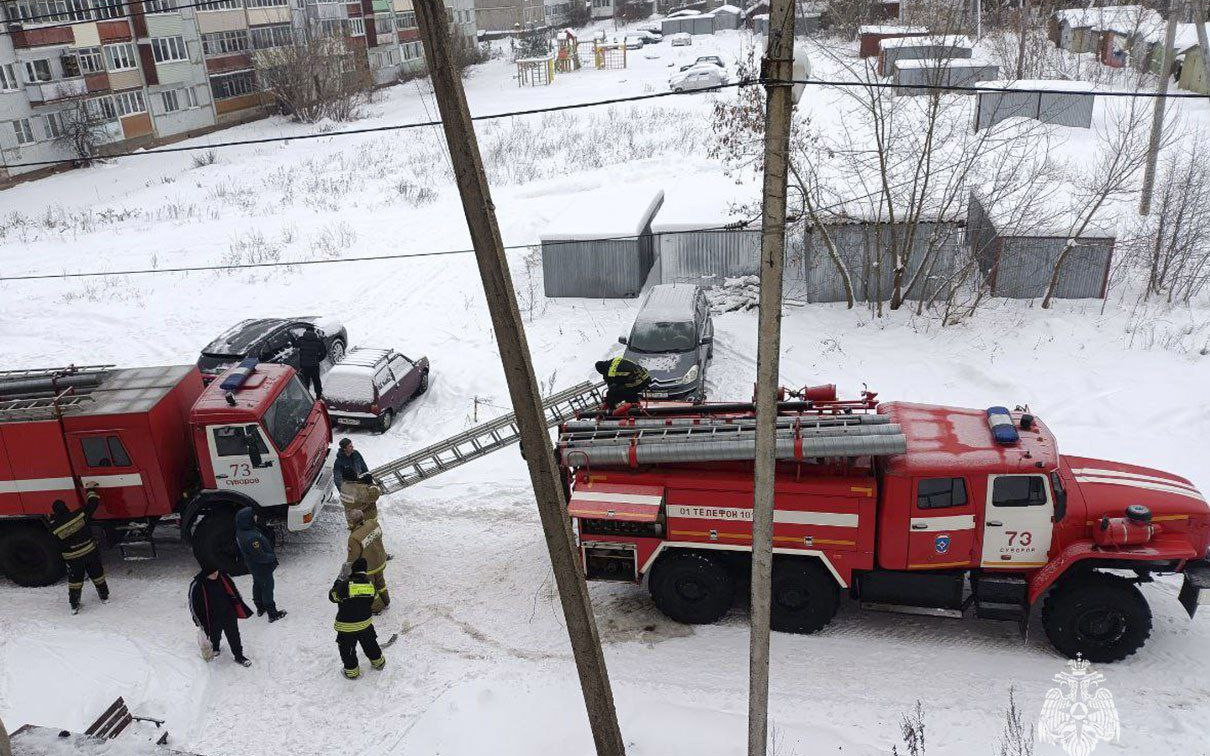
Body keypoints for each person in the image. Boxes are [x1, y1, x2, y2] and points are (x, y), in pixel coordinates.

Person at [47, 483, 108, 614]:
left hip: (73, 559)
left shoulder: (55, 528)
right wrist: (90, 490)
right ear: (66, 508)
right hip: (90, 552)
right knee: (97, 574)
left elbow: (54, 545)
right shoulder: (79, 515)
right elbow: (93, 503)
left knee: (75, 581)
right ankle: (104, 597)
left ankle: (74, 605)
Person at [329, 557, 385, 679]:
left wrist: (339, 579)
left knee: (347, 650)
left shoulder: (345, 585)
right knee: (370, 644)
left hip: (346, 627)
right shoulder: (371, 586)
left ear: (352, 570)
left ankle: (352, 672)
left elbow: (332, 596)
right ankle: (378, 662)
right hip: (365, 624)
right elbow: (373, 599)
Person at [188, 567, 253, 667]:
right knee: (214, 634)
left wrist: (238, 604)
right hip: (211, 618)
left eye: (216, 571)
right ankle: (215, 647)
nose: (215, 574)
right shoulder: (197, 584)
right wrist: (199, 622)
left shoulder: (223, 576)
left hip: (228, 613)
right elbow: (193, 606)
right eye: (211, 573)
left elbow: (233, 590)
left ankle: (239, 656)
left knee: (234, 634)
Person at [233, 508, 285, 622]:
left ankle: (260, 607)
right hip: (262, 567)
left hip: (253, 566)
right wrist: (272, 557)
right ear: (248, 519)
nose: (256, 517)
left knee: (257, 584)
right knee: (267, 587)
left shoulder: (241, 531)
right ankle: (272, 614)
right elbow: (260, 556)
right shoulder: (251, 538)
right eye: (253, 516)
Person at [345, 509, 389, 614]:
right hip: (379, 559)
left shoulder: (354, 537)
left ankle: (376, 607)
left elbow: (353, 557)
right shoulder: (373, 523)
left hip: (368, 567)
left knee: (369, 587)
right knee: (380, 582)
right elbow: (379, 536)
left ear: (352, 522)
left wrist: (348, 571)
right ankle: (386, 600)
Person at [334, 438, 378, 525]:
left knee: (367, 502)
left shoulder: (356, 454)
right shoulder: (339, 462)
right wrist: (344, 492)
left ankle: (370, 521)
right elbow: (337, 479)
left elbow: (364, 467)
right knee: (351, 507)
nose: (352, 447)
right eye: (350, 446)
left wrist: (369, 480)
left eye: (352, 445)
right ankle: (353, 525)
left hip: (361, 482)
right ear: (344, 448)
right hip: (349, 487)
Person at [291, 323, 327, 399]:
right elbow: (324, 353)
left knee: (306, 381)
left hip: (304, 365)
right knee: (316, 380)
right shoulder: (318, 341)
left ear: (306, 331)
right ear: (314, 332)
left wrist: (292, 337)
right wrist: (318, 359)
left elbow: (295, 344)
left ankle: (307, 396)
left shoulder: (301, 340)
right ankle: (318, 395)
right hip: (314, 365)